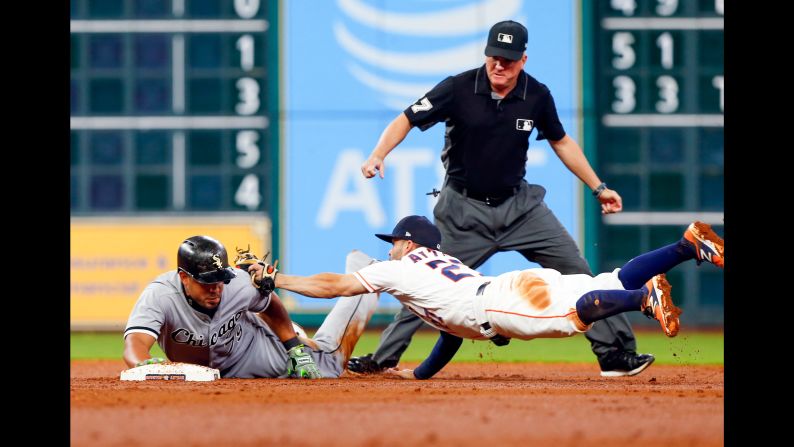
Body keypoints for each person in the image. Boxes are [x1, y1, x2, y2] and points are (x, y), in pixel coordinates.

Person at [354, 20, 647, 377]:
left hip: (521, 208)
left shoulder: (536, 95)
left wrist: (599, 188)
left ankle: (614, 355)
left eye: (508, 59)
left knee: (578, 270)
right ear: (486, 54)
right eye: (494, 56)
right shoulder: (458, 87)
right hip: (464, 211)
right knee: (424, 280)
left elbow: (561, 142)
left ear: (523, 59)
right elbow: (406, 118)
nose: (499, 65)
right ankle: (382, 359)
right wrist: (378, 154)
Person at [259, 215, 724, 380]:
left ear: (407, 242)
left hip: (497, 305)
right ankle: (685, 246)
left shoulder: (398, 266)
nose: (389, 246)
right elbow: (451, 335)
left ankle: (644, 300)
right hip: (502, 289)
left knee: (573, 316)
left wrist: (280, 280)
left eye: (394, 240)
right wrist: (420, 375)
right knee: (612, 277)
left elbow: (335, 286)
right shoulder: (444, 266)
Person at [123, 235, 379, 378]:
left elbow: (270, 305)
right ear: (183, 277)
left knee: (332, 363)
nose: (216, 288)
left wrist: (294, 348)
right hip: (216, 372)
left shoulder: (239, 284)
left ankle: (366, 273)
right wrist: (144, 364)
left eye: (220, 280)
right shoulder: (160, 294)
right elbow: (135, 343)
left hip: (255, 351)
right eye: (207, 282)